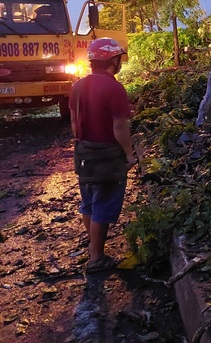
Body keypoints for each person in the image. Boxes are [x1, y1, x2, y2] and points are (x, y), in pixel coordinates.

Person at [68, 37, 136, 273]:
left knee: (89, 203)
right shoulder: (113, 87)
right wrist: (129, 154)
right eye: (119, 59)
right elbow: (119, 127)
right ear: (113, 60)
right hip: (106, 154)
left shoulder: (77, 86)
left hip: (84, 152)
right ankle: (97, 258)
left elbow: (74, 124)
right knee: (103, 206)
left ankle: (95, 249)